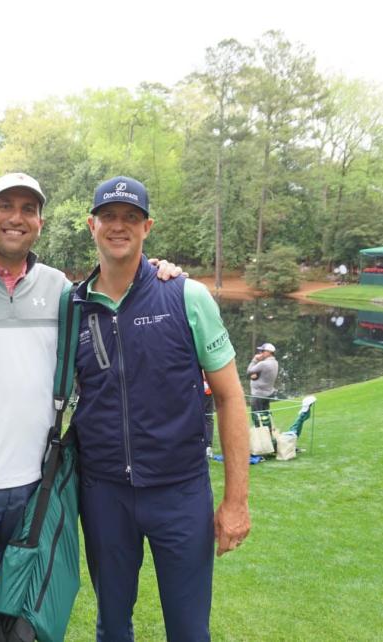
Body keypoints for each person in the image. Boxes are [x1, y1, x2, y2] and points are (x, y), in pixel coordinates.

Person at [0, 172, 182, 640]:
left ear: (40, 223)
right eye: (5, 206)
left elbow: (118, 292)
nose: (16, 217)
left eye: (28, 209)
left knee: (22, 611)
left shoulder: (61, 290)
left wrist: (157, 271)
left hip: (39, 485)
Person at [72, 176, 250, 640]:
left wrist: (236, 502)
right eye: (108, 216)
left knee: (189, 631)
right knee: (111, 626)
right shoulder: (72, 308)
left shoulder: (185, 295)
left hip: (180, 494)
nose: (118, 226)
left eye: (130, 217)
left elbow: (231, 397)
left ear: (147, 226)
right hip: (104, 494)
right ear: (91, 224)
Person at [247, 342, 279, 425]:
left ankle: (260, 434)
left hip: (258, 395)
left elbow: (249, 371)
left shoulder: (263, 364)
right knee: (265, 416)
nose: (260, 353)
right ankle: (269, 432)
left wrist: (254, 360)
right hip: (266, 394)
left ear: (269, 352)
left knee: (257, 417)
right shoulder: (275, 362)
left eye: (262, 351)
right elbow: (257, 374)